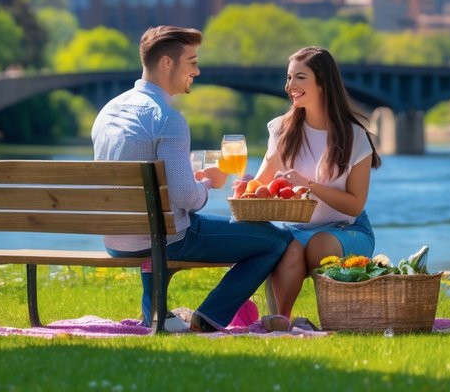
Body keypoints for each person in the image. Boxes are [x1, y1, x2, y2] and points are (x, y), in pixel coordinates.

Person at [91, 25, 291, 332]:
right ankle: (208, 318)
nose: (197, 70)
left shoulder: (108, 111)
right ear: (167, 63)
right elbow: (187, 199)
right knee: (276, 240)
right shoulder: (167, 119)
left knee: (157, 223)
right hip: (162, 238)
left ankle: (156, 314)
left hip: (116, 240)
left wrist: (189, 181)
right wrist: (209, 182)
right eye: (192, 62)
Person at [252, 46, 381, 318]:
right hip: (296, 229)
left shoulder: (354, 136)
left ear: (322, 83)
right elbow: (259, 186)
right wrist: (245, 187)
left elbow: (355, 205)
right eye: (289, 78)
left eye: (300, 77)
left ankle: (339, 316)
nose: (290, 86)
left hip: (348, 229)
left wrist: (309, 185)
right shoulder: (281, 130)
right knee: (293, 248)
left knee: (317, 244)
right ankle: (281, 321)